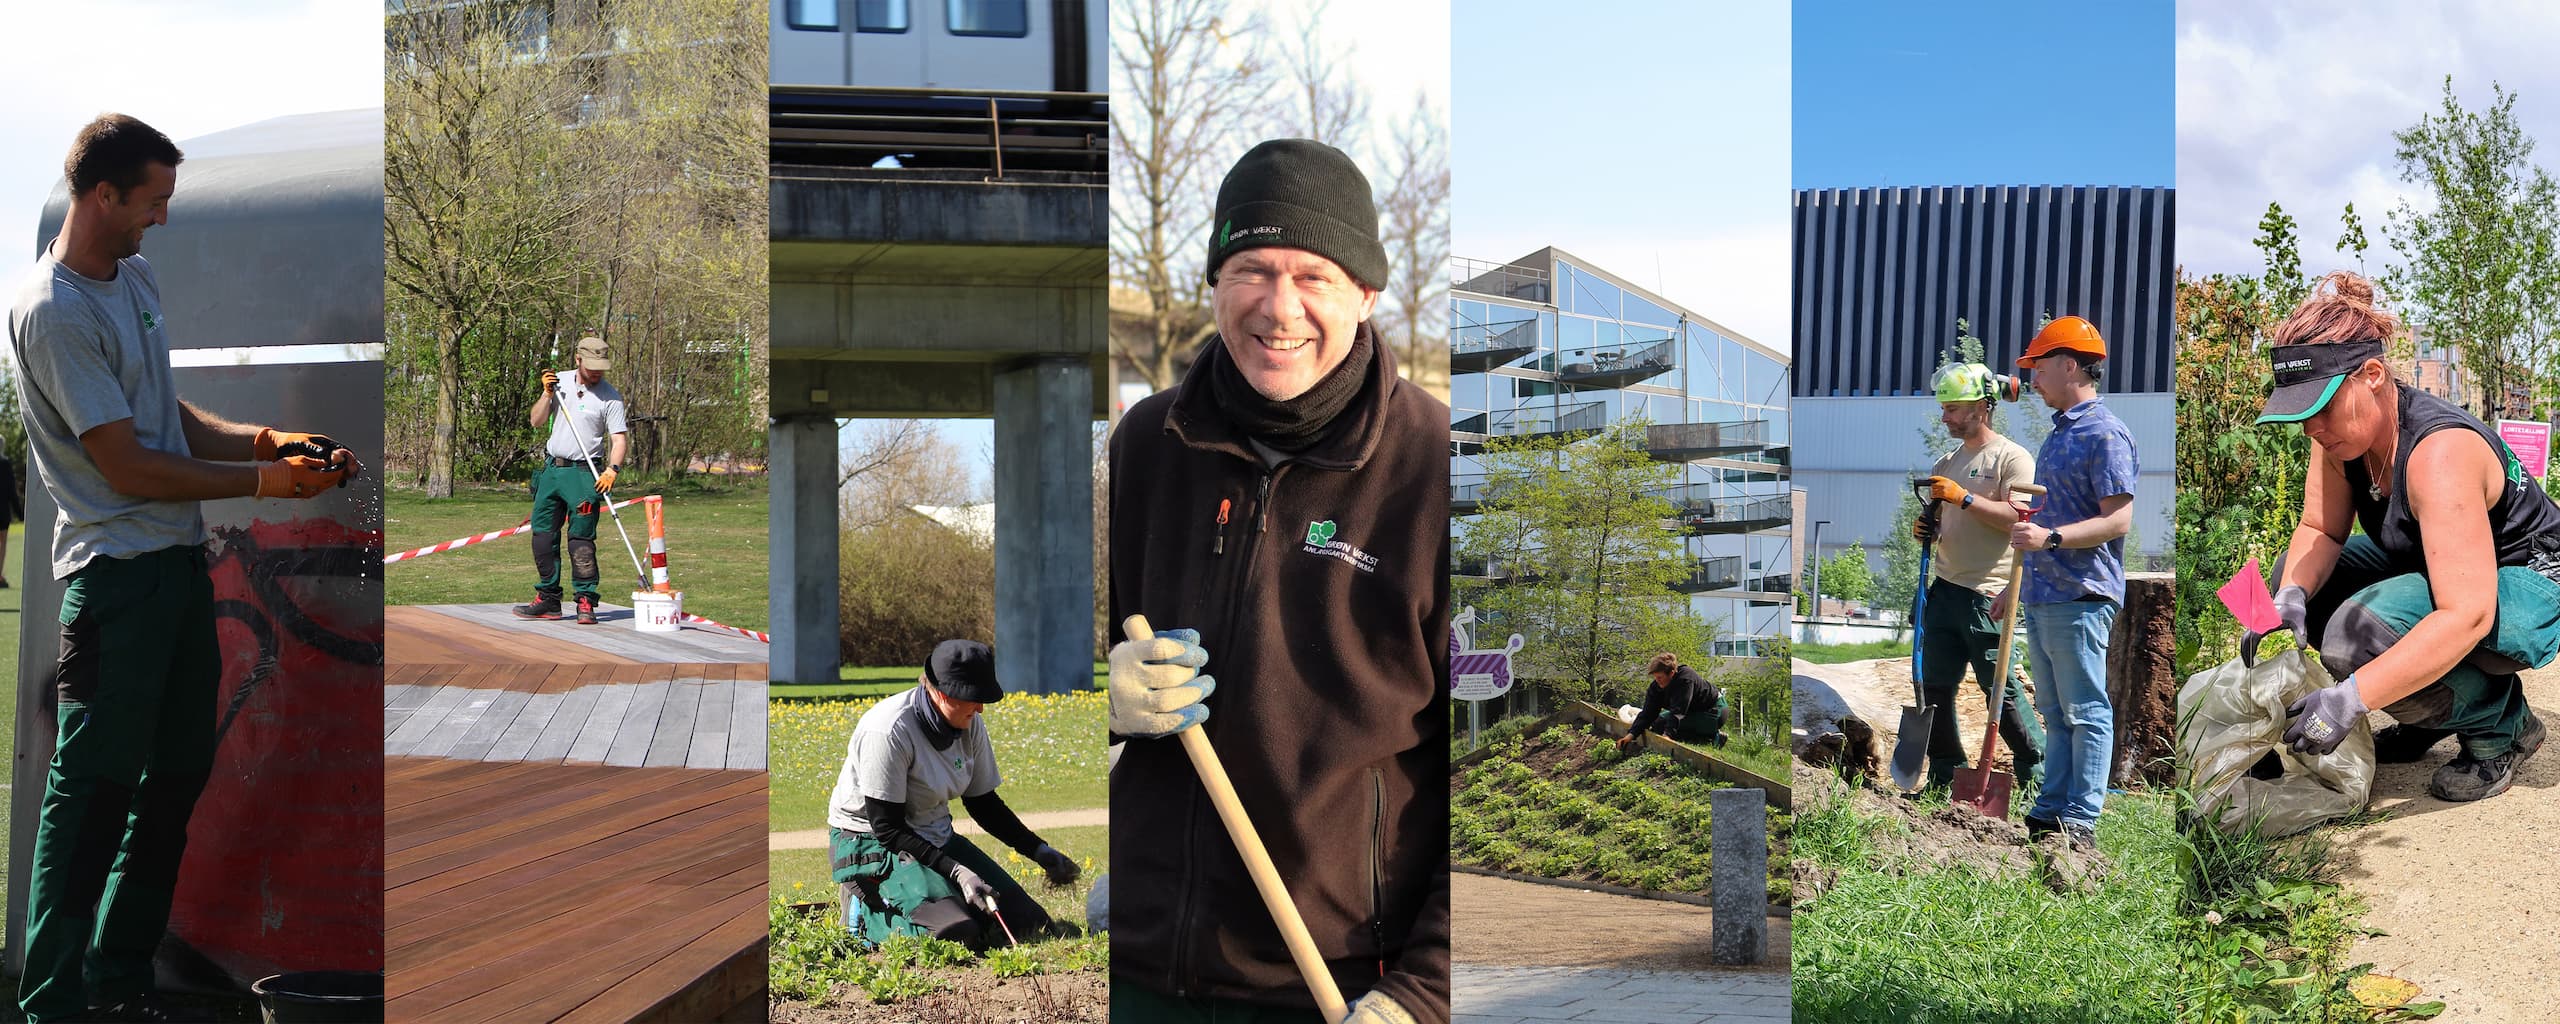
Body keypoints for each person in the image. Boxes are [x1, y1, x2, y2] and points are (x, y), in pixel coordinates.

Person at [7, 113, 361, 1024]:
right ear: (102, 195)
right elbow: (126, 463)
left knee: (170, 790)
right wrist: (262, 482)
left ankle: (118, 989)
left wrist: (271, 438)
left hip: (175, 572)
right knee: (89, 802)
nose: (162, 218)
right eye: (152, 201)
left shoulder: (135, 278)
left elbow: (164, 413)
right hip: (115, 586)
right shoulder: (52, 309)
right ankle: (51, 1002)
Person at [1107, 138, 1449, 1024]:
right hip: (1142, 970)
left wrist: (1424, 993)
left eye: (1315, 276)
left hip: (1337, 988)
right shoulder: (1147, 443)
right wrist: (1097, 696)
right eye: (1252, 268)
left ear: (1366, 295)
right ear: (1216, 281)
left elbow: (1500, 772)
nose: (1279, 306)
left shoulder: (1443, 472)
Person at [2249, 272, 2560, 802]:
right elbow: (2320, 528)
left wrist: (2351, 699)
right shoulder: (2340, 438)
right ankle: (2428, 713)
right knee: (2289, 575)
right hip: (2440, 558)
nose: (2312, 427)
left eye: (2322, 407)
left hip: (2529, 573)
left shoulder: (2439, 453)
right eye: (2301, 413)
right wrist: (2287, 600)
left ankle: (2504, 728)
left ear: (2372, 374)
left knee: (2358, 633)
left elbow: (2468, 613)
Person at [827, 640, 1081, 947]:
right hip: (871, 843)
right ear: (942, 693)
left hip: (932, 836)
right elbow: (888, 829)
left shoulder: (969, 724)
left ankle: (940, 894)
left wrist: (1038, 850)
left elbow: (983, 804)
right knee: (954, 934)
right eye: (974, 698)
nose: (981, 707)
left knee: (1031, 924)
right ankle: (864, 910)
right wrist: (957, 871)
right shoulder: (888, 730)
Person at [2003, 316, 2136, 850]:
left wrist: (2050, 539)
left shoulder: (2104, 432)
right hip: (2044, 593)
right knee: (2056, 712)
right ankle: (2052, 806)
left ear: (2068, 365)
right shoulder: (2061, 433)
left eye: (2038, 367)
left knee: (2085, 709)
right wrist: (2012, 588)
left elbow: (2117, 519)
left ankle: (2081, 818)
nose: (2032, 380)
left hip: (2080, 594)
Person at [1911, 362, 2045, 793]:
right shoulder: (1946, 460)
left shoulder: (2012, 458)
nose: (1945, 416)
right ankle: (1944, 772)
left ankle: (2036, 768)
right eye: (1945, 408)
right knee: (1936, 689)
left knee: (2000, 694)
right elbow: (1945, 516)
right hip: (1944, 589)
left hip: (1988, 595)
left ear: (1980, 408)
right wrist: (1927, 526)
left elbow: (2017, 520)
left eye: (1952, 408)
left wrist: (1964, 498)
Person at [513, 336, 626, 626]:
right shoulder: (558, 383)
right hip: (552, 470)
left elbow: (618, 438)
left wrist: (612, 469)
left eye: (601, 367)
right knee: (542, 537)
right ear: (578, 360)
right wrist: (547, 395)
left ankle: (585, 600)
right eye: (591, 366)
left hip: (583, 474)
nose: (597, 372)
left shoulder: (610, 397)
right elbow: (536, 421)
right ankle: (549, 599)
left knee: (581, 541)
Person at [1617, 652, 1726, 751]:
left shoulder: (1685, 679)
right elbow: (1648, 713)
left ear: (1672, 673)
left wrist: (1667, 736)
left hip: (1713, 711)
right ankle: (1702, 733)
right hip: (1691, 711)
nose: (1657, 681)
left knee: (1664, 727)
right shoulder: (1656, 687)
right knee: (1657, 724)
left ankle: (1711, 737)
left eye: (1660, 677)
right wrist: (1630, 735)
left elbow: (1678, 711)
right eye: (1655, 677)